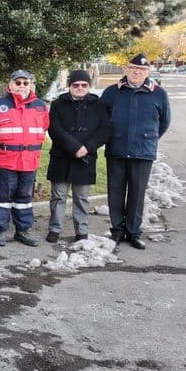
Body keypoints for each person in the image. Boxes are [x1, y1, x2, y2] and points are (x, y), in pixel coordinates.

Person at [101, 54, 171, 249]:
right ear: (126, 69)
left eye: (141, 70)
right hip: (116, 149)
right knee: (115, 192)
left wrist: (148, 138)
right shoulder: (111, 92)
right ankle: (116, 231)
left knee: (137, 193)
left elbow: (164, 122)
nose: (136, 72)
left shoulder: (158, 93)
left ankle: (133, 232)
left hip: (143, 152)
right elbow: (102, 119)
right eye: (133, 68)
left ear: (147, 72)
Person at [46, 69, 112, 243]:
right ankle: (54, 229)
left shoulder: (98, 105)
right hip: (61, 157)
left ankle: (81, 231)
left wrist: (87, 147)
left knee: (81, 198)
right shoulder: (58, 104)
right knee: (58, 196)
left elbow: (105, 130)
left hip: (86, 158)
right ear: (70, 86)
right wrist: (74, 147)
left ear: (89, 86)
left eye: (84, 85)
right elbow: (54, 129)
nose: (80, 88)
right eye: (76, 85)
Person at [0, 69, 49, 247]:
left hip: (30, 161)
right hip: (5, 159)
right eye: (18, 82)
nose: (22, 86)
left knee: (24, 198)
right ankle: (0, 231)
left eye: (25, 83)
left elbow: (44, 128)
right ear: (10, 85)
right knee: (3, 196)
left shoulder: (40, 106)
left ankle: (22, 231)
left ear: (30, 85)